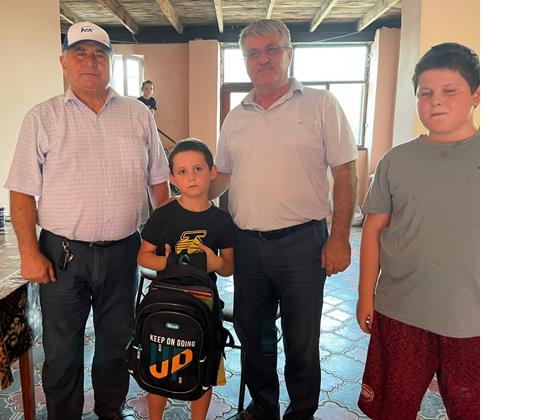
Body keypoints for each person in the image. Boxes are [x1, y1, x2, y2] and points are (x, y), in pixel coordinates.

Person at [4, 22, 170, 420]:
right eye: (80, 53)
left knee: (117, 343)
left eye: (99, 54)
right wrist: (29, 252)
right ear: (63, 62)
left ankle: (111, 409)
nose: (90, 61)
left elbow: (159, 183)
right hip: (62, 256)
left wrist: (165, 242)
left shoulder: (138, 114)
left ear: (110, 62)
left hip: (124, 252)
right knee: (62, 351)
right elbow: (22, 191)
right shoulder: (42, 117)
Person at [211, 19, 358, 420]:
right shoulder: (235, 117)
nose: (263, 59)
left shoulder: (321, 104)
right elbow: (222, 176)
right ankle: (263, 406)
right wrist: (187, 194)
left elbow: (346, 172)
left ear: (289, 53)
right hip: (247, 246)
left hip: (303, 244)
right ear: (245, 61)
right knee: (253, 334)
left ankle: (302, 410)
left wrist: (340, 237)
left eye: (271, 49)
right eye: (253, 53)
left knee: (301, 338)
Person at [355, 42, 480, 420]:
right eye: (425, 93)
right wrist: (365, 295)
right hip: (400, 310)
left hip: (472, 318)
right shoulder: (396, 160)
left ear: (476, 95)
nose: (436, 101)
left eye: (449, 91)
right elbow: (373, 230)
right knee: (392, 407)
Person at [137, 138, 235, 420]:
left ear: (212, 171)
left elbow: (229, 267)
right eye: (182, 171)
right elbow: (143, 257)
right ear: (172, 178)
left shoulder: (222, 220)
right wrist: (168, 262)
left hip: (204, 305)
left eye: (198, 169)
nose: (191, 177)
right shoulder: (163, 216)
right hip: (165, 300)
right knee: (159, 365)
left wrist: (216, 263)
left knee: (205, 367)